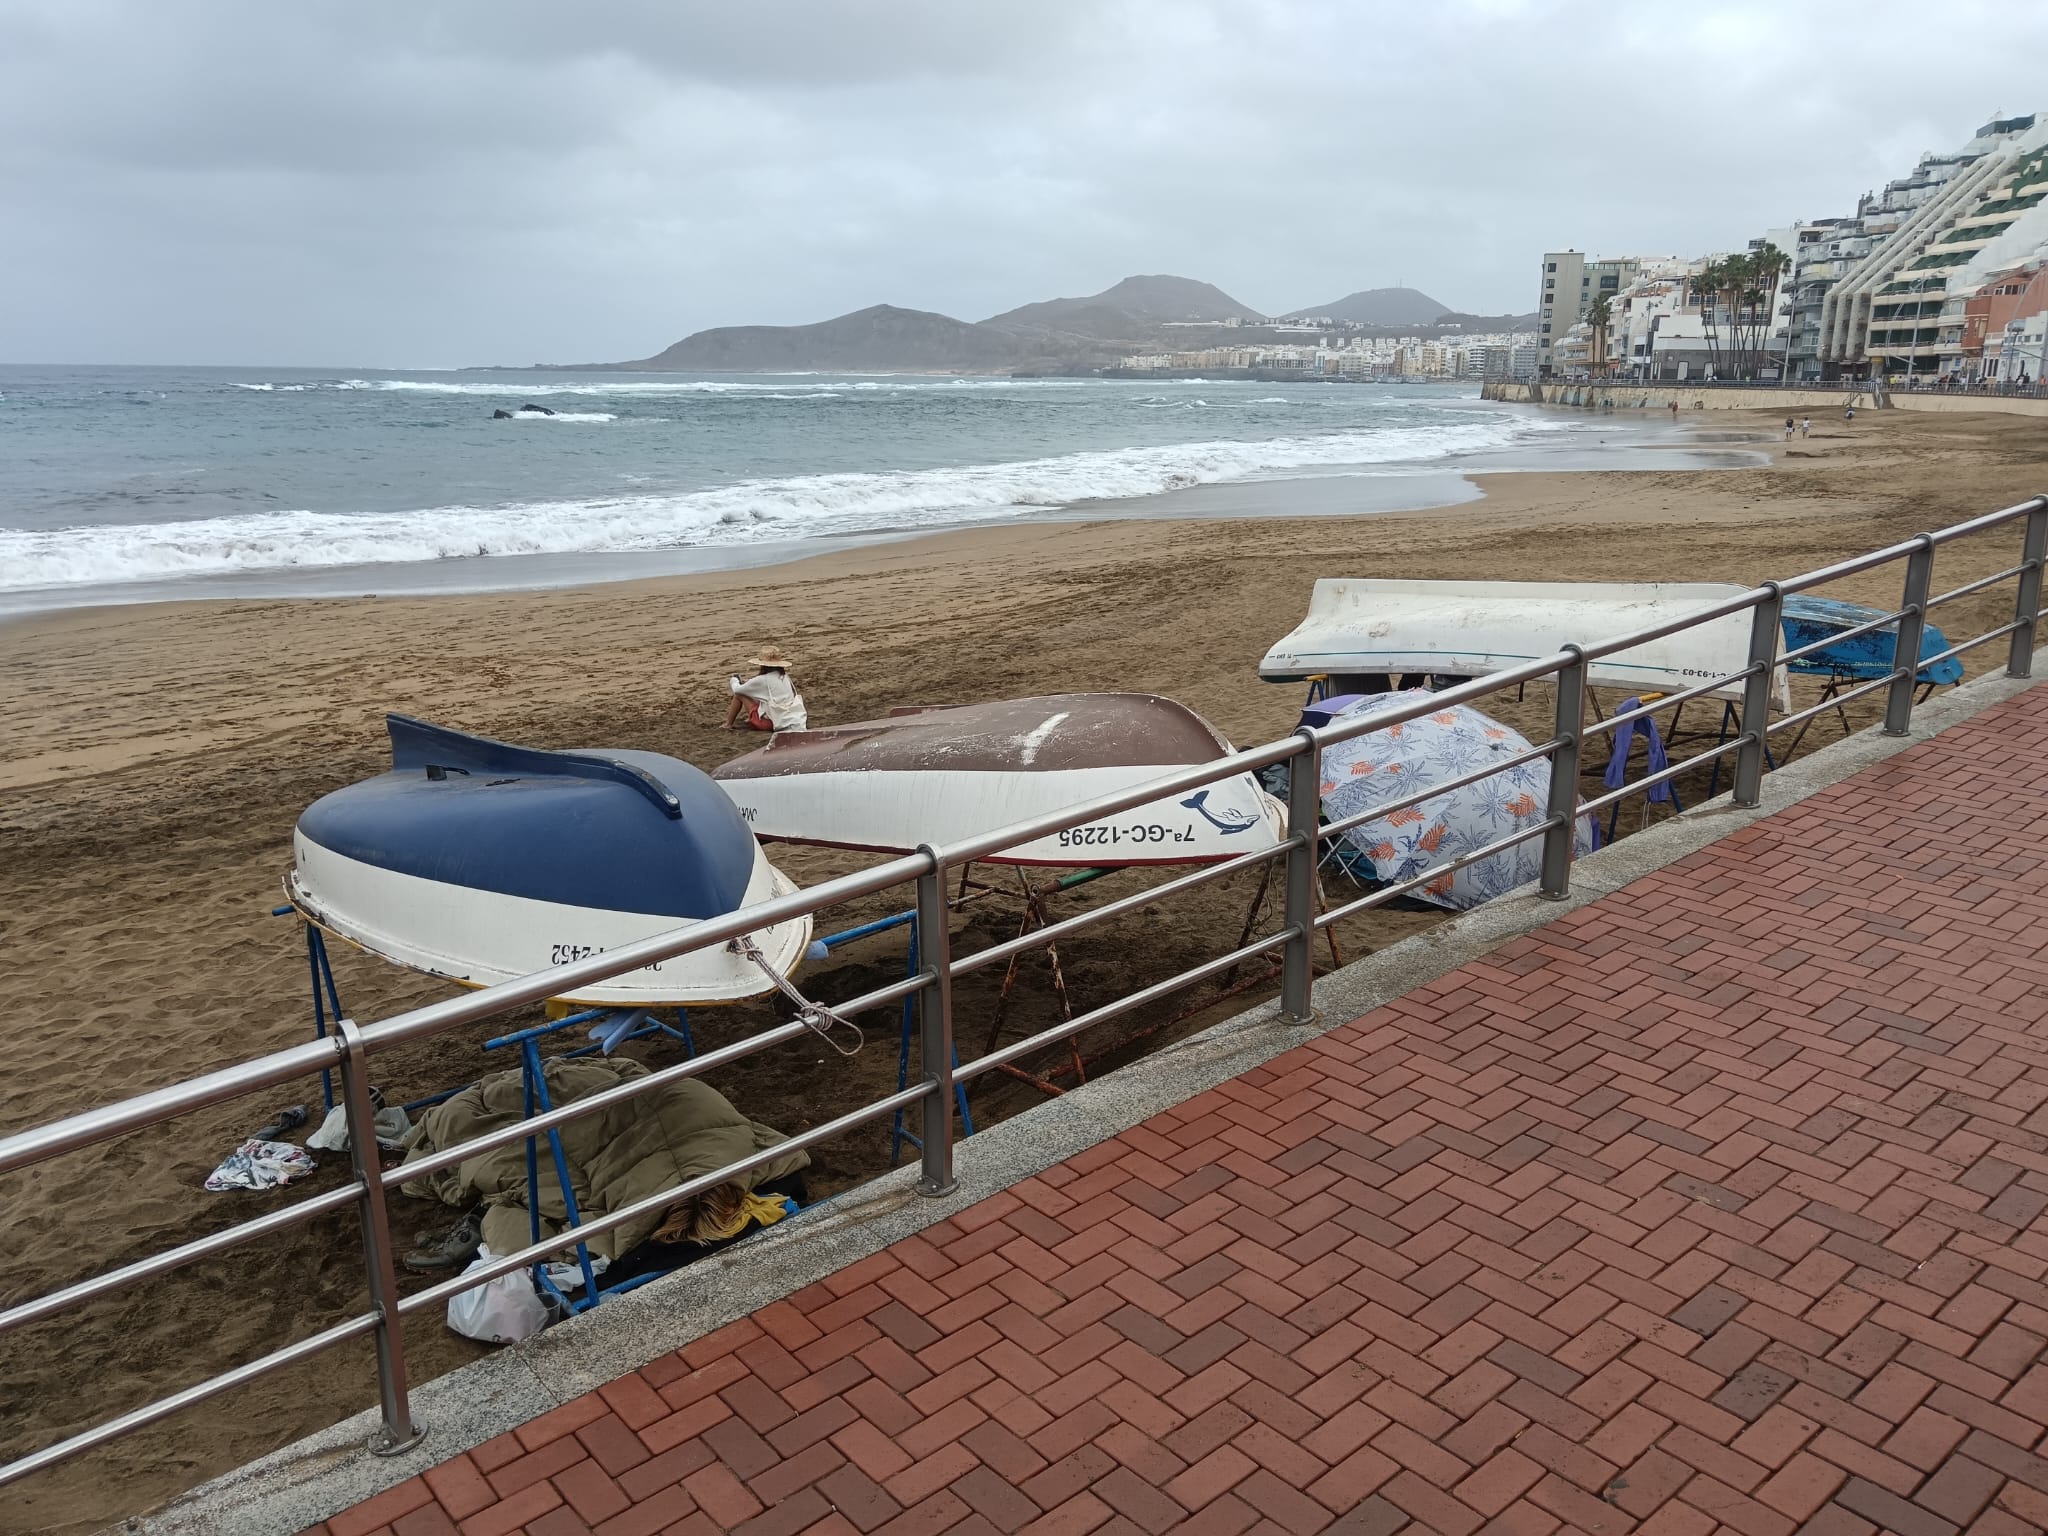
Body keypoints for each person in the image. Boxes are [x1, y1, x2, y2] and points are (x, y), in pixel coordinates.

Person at [723, 645, 807, 732]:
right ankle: (751, 718)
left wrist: (734, 680)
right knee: (760, 695)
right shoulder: (785, 677)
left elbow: (737, 689)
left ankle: (728, 724)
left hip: (773, 723)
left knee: (739, 695)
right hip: (791, 718)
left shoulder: (763, 679)